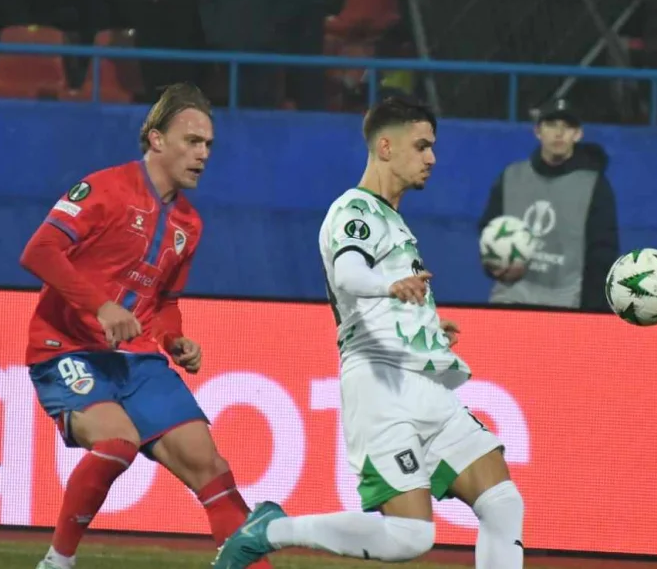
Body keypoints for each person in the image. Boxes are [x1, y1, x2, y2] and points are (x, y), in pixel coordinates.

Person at [211, 96, 525, 568]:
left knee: (502, 503)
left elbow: (374, 298)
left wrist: (425, 326)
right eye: (421, 146)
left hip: (425, 386)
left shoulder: (393, 220)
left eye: (432, 148)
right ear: (385, 147)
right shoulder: (354, 211)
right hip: (381, 388)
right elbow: (350, 276)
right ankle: (271, 529)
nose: (432, 158)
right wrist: (391, 285)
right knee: (410, 537)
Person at [18, 83, 271, 569]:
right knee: (118, 443)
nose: (202, 154)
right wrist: (101, 307)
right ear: (156, 139)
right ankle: (57, 561)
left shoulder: (189, 224)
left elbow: (166, 301)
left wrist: (175, 339)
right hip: (66, 349)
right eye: (191, 141)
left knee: (211, 468)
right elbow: (39, 251)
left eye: (208, 145)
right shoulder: (104, 189)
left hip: (137, 359)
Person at [478, 97, 619, 311]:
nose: (559, 133)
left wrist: (591, 312)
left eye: (567, 127)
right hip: (509, 301)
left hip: (566, 308)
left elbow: (603, 255)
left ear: (578, 134)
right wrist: (495, 268)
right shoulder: (511, 177)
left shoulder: (594, 185)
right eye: (551, 125)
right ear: (537, 131)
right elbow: (488, 234)